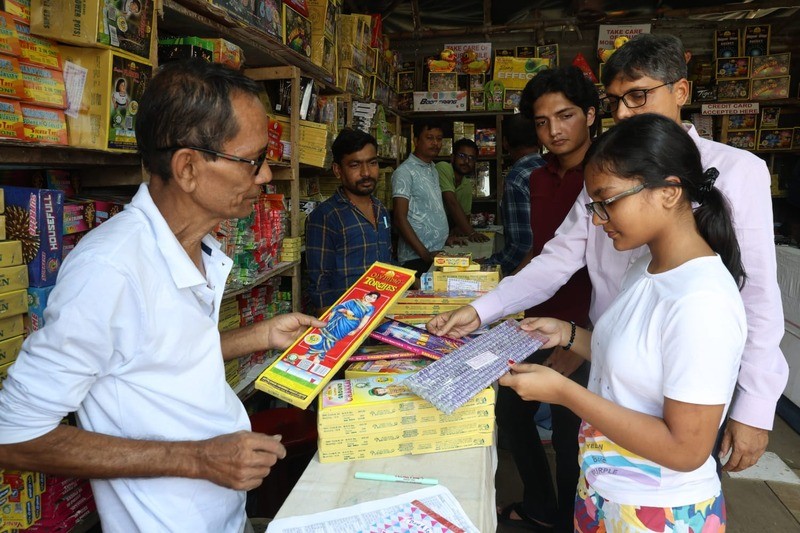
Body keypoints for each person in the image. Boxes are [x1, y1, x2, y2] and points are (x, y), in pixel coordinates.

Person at [429, 33, 787, 474]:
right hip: (610, 368)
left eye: (637, 96)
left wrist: (754, 404)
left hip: (681, 390)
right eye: (615, 100)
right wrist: (484, 311)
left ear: (680, 91)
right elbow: (556, 259)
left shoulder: (734, 178)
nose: (622, 113)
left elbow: (758, 297)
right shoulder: (617, 203)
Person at [0, 59, 325, 532]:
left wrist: (258, 335)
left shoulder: (196, 248)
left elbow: (153, 361)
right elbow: (13, 437)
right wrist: (198, 460)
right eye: (252, 160)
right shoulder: (109, 270)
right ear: (188, 168)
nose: (266, 176)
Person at [500, 113, 747, 532]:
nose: (597, 219)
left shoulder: (701, 300)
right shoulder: (646, 265)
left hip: (657, 512)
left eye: (607, 200)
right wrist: (567, 332)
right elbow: (633, 359)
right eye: (593, 204)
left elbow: (686, 448)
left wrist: (564, 393)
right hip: (605, 488)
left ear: (669, 192)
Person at [494, 66, 598, 533]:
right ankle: (541, 504)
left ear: (592, 115)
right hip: (538, 322)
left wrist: (582, 345)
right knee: (510, 410)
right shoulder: (536, 177)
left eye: (566, 115)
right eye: (541, 121)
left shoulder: (607, 176)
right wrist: (495, 302)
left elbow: (611, 273)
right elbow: (543, 255)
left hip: (586, 330)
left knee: (569, 433)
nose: (554, 130)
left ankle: (568, 521)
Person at [305, 128, 392, 314]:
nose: (366, 172)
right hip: (349, 322)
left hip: (382, 314)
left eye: (372, 163)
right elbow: (320, 285)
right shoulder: (325, 216)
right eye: (355, 165)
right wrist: (338, 329)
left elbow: (387, 264)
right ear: (338, 170)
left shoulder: (381, 209)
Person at [483, 114, 545, 275]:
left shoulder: (516, 179)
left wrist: (488, 265)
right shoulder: (548, 167)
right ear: (539, 139)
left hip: (531, 273)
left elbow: (522, 245)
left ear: (504, 142)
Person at [392, 119, 450, 277]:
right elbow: (399, 218)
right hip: (416, 259)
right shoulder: (405, 172)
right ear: (416, 140)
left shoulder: (432, 168)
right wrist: (425, 254)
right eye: (429, 138)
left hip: (436, 254)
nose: (435, 143)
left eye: (439, 139)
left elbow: (431, 208)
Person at [436, 138, 489, 244]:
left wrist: (459, 228)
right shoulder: (443, 167)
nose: (466, 161)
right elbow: (451, 202)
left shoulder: (466, 185)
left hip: (444, 236)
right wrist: (472, 233)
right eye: (462, 156)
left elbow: (465, 218)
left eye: (471, 158)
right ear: (452, 157)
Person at [307, 291, 381, 361]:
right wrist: (346, 311)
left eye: (374, 298)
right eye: (370, 295)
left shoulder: (371, 308)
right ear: (366, 294)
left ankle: (319, 356)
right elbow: (339, 307)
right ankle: (310, 353)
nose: (371, 298)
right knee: (324, 334)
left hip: (349, 325)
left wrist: (357, 330)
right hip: (338, 319)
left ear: (375, 300)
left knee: (333, 338)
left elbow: (365, 320)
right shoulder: (353, 301)